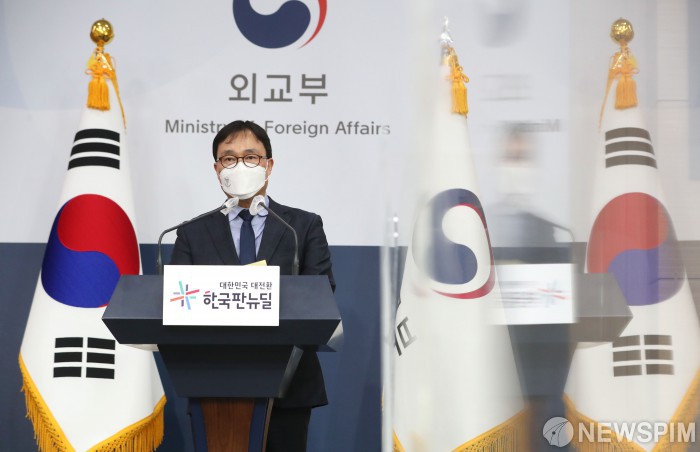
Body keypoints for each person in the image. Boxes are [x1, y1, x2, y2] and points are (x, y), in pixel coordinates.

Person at [170, 120, 335, 452]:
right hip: (213, 384)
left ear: (268, 165)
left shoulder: (301, 226)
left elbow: (321, 295)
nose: (239, 166)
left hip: (288, 385)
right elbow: (175, 302)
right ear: (217, 169)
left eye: (250, 157)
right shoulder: (192, 232)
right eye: (229, 158)